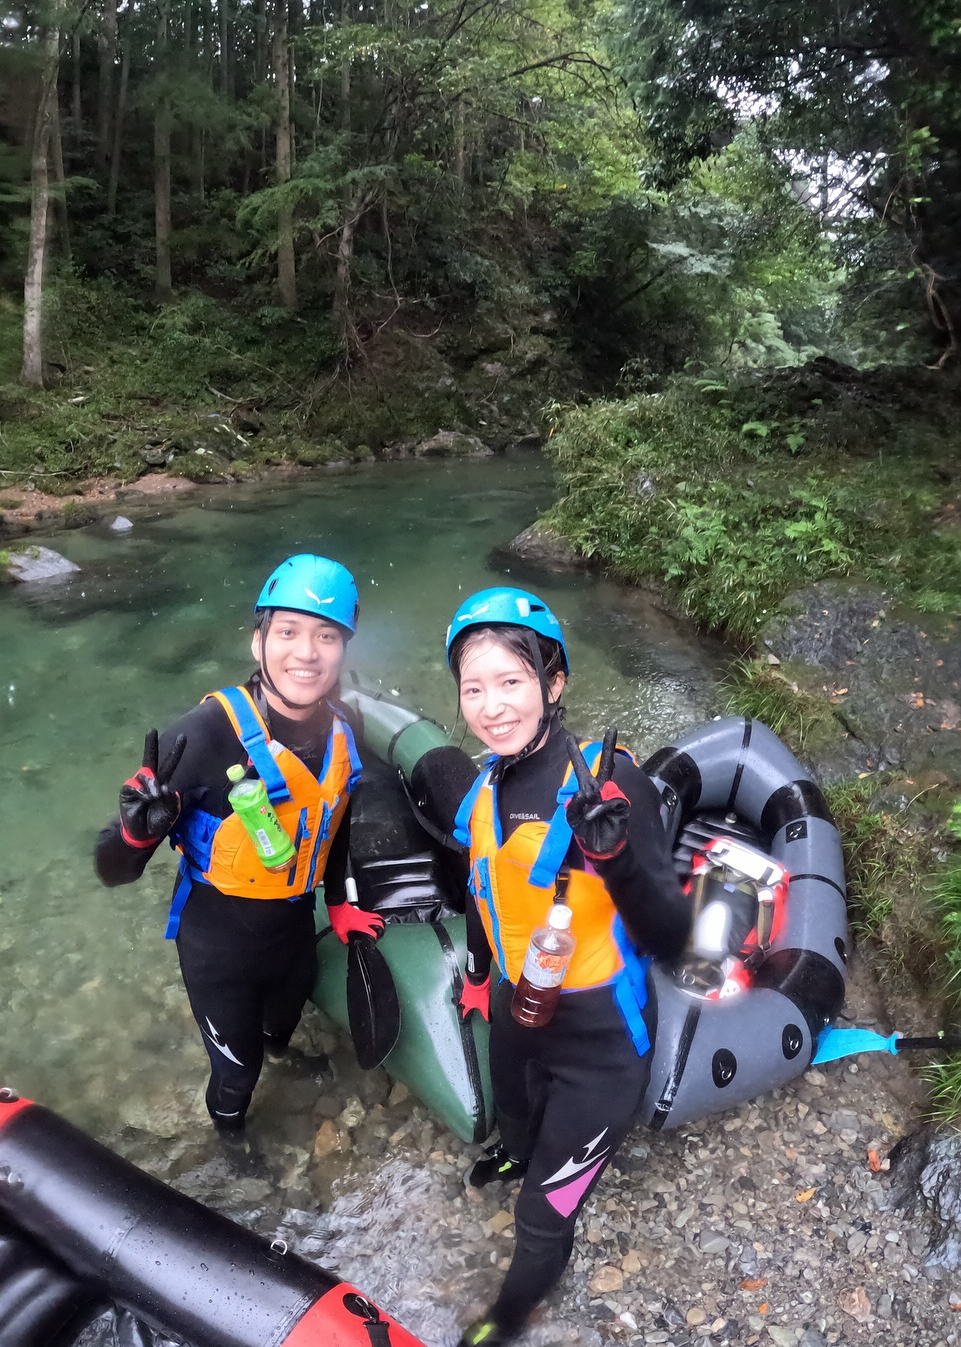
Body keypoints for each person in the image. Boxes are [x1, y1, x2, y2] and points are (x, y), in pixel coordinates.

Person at [436, 586, 692, 1347]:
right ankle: (519, 1151)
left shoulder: (609, 787)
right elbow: (485, 892)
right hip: (522, 1012)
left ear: (554, 683)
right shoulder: (487, 783)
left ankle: (504, 1322)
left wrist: (616, 858)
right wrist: (482, 971)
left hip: (601, 1047)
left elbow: (674, 934)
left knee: (540, 1220)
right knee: (513, 1126)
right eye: (473, 687)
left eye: (511, 682)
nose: (491, 706)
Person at [94, 555, 385, 1142]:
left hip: (292, 934)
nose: (307, 652)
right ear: (257, 642)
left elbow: (334, 821)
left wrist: (340, 903)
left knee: (283, 1024)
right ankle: (231, 1143)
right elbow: (113, 871)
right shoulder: (199, 735)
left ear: (343, 651)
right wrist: (137, 832)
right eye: (288, 631)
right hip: (218, 947)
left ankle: (281, 1051)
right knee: (237, 1072)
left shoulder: (342, 726)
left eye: (326, 635)